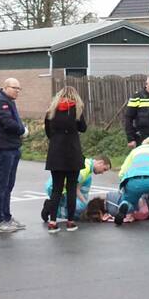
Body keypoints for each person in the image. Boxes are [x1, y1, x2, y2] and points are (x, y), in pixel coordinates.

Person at [42, 86, 88, 233]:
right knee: (71, 189)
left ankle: (53, 222)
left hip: (56, 154)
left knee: (56, 189)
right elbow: (83, 128)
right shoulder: (77, 110)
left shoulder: (51, 111)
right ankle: (70, 221)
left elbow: (48, 132)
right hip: (72, 154)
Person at [0, 78, 27, 233]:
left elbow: (14, 121)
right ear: (5, 87)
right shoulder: (0, 102)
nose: (17, 90)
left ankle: (7, 217)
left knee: (9, 185)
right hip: (4, 148)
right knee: (2, 185)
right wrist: (22, 130)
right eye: (14, 88)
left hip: (12, 146)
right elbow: (9, 123)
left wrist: (21, 129)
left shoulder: (9, 101)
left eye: (19, 88)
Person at [113, 137, 149, 226]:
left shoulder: (135, 151)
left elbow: (123, 170)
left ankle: (125, 206)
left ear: (142, 144)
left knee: (129, 199)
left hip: (133, 182)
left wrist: (124, 182)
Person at [42, 156, 112, 222]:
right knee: (77, 210)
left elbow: (76, 188)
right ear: (100, 162)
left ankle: (52, 207)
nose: (102, 172)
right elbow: (71, 185)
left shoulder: (86, 164)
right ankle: (51, 207)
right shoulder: (85, 169)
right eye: (104, 169)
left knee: (81, 207)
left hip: (55, 186)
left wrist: (85, 204)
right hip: (56, 188)